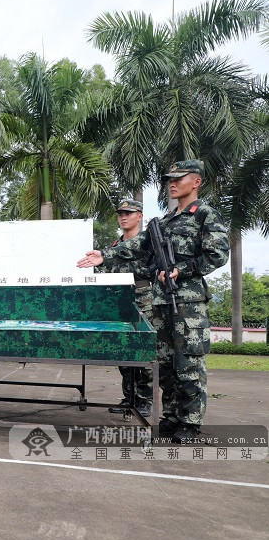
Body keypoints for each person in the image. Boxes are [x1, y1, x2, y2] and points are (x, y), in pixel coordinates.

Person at [79, 160, 229, 443]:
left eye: (179, 178)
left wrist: (180, 270)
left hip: (189, 304)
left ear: (196, 181)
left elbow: (217, 255)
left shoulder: (205, 215)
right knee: (166, 363)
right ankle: (172, 416)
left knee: (189, 363)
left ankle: (190, 422)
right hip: (160, 302)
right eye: (169, 179)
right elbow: (140, 243)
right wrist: (105, 255)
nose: (172, 183)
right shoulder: (165, 221)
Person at [77, 199, 154, 418]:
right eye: (121, 213)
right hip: (120, 302)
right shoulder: (113, 246)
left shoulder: (147, 242)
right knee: (124, 352)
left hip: (144, 300)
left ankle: (145, 400)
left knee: (144, 352)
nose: (123, 217)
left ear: (139, 216)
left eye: (129, 213)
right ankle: (129, 398)